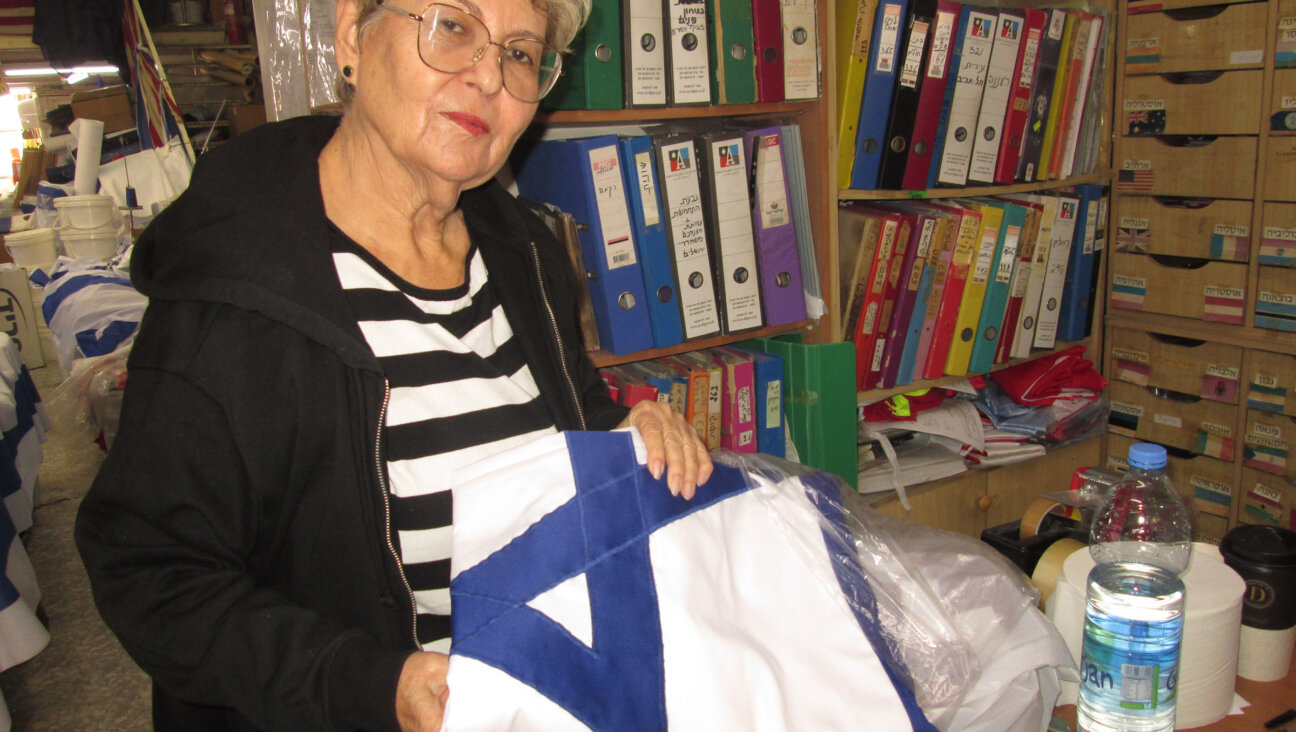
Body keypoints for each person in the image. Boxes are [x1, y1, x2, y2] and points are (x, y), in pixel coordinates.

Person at [74, 0, 712, 728]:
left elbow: (563, 431)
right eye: (453, 26)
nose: (486, 77)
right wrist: (370, 685)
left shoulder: (526, 255)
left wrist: (630, 432)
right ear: (353, 34)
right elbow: (148, 569)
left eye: (521, 53)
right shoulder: (234, 288)